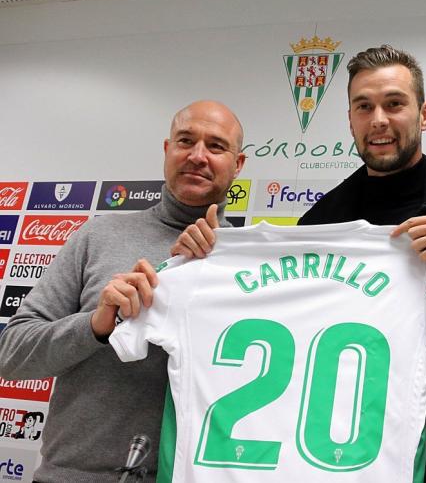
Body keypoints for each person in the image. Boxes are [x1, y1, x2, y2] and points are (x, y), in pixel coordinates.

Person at [172, 46, 426, 482]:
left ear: (424, 114)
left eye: (394, 103)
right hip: (347, 462)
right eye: (364, 106)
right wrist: (205, 267)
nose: (378, 119)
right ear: (351, 120)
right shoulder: (318, 223)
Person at [0, 100, 245, 482]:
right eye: (185, 141)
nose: (198, 156)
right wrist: (95, 326)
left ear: (238, 164)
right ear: (167, 151)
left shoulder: (252, 266)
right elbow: (10, 355)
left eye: (216, 146)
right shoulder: (98, 236)